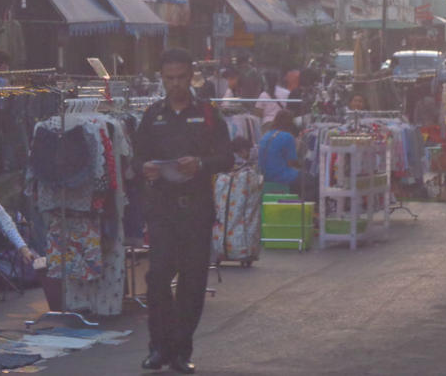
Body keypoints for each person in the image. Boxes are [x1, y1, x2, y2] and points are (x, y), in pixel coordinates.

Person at [132, 48, 233, 374]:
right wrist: (144, 168)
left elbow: (227, 158)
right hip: (161, 209)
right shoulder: (152, 115)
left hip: (196, 210)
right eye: (168, 79)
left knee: (192, 282)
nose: (174, 84)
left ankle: (180, 351)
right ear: (162, 79)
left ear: (191, 77)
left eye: (180, 78)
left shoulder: (207, 114)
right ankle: (158, 348)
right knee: (158, 278)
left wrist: (201, 164)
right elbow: (135, 160)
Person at [258, 109, 317, 201]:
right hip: (281, 176)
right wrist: (303, 166)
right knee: (312, 181)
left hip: (266, 176)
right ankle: (303, 210)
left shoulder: (266, 136)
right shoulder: (287, 137)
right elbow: (291, 162)